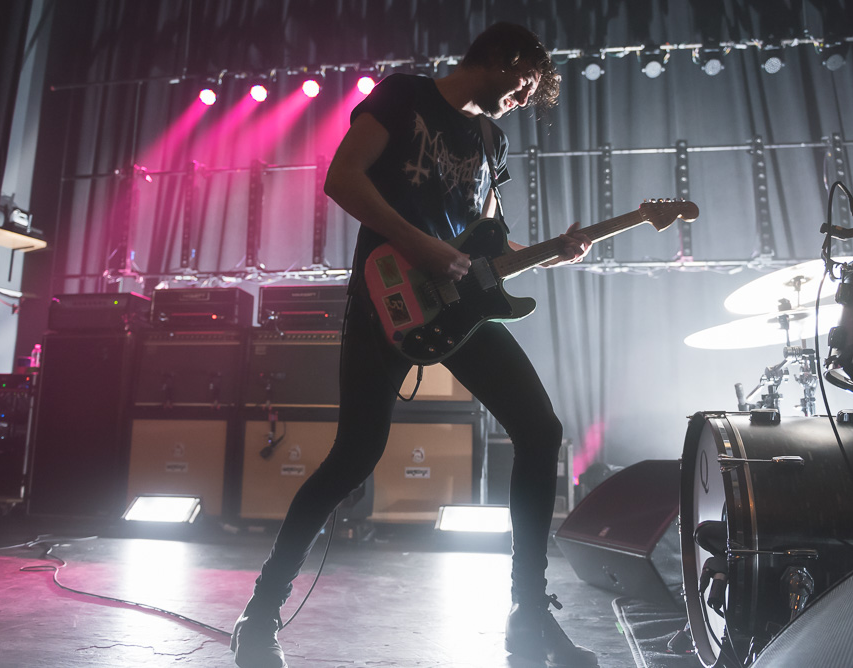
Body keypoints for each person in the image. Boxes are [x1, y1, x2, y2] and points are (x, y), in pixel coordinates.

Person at [231, 22, 597, 668]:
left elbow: (490, 244)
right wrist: (417, 242)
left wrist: (553, 253)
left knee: (540, 430)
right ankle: (261, 612)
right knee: (354, 456)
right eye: (525, 82)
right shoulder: (405, 97)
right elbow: (343, 178)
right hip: (386, 297)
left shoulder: (491, 141)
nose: (523, 97)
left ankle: (529, 615)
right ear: (502, 56)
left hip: (455, 308)